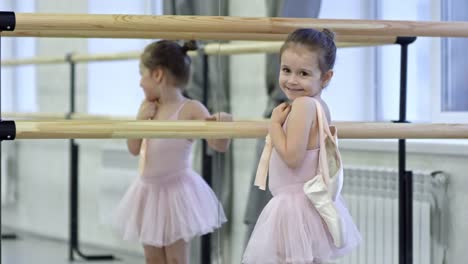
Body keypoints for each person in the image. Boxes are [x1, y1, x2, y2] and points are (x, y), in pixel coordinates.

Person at [243, 28, 361, 264]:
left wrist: (274, 124)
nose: (292, 80)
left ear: (325, 77)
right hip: (308, 204)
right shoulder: (319, 105)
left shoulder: (303, 106)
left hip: (294, 206)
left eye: (304, 73)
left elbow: (292, 156)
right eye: (286, 70)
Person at [113, 40, 231, 264]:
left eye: (142, 74)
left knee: (176, 259)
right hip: (147, 192)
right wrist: (139, 121)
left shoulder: (190, 108)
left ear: (157, 75)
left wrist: (225, 124)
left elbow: (219, 145)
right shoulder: (148, 107)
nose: (140, 83)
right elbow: (133, 148)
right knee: (153, 258)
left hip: (176, 194)